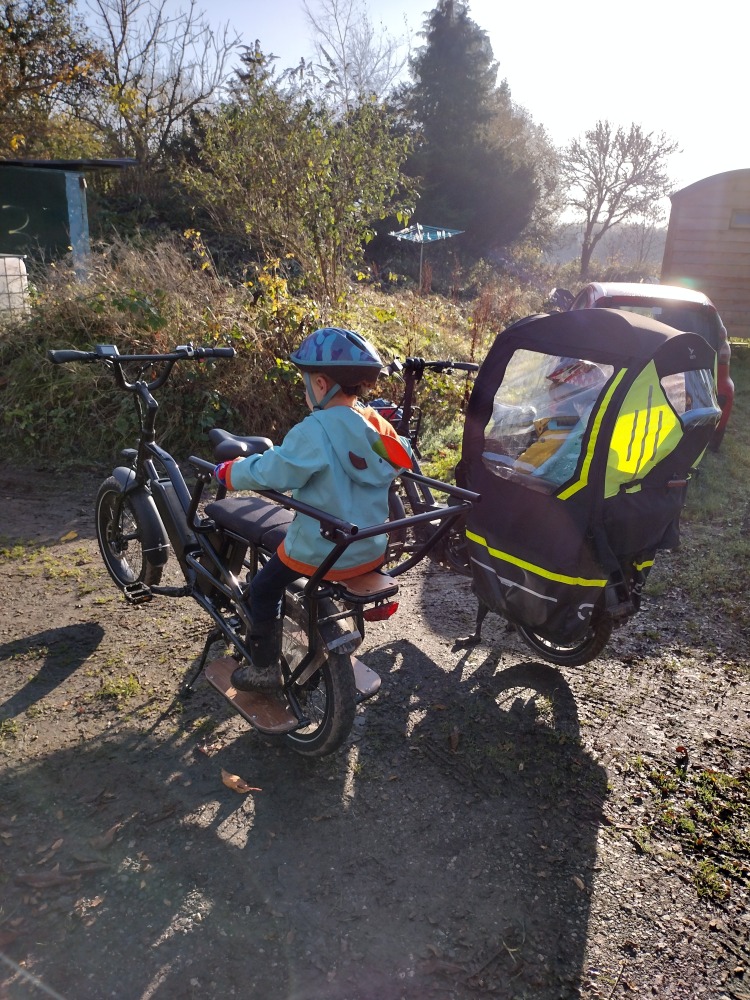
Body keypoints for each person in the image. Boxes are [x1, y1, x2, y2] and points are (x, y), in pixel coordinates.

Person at [213, 327, 412, 693]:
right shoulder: (372, 424)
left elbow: (274, 469)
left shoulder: (314, 430)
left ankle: (264, 669)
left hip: (321, 549)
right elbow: (405, 457)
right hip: (368, 548)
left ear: (320, 384)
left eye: (305, 382)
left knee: (263, 587)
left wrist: (231, 473)